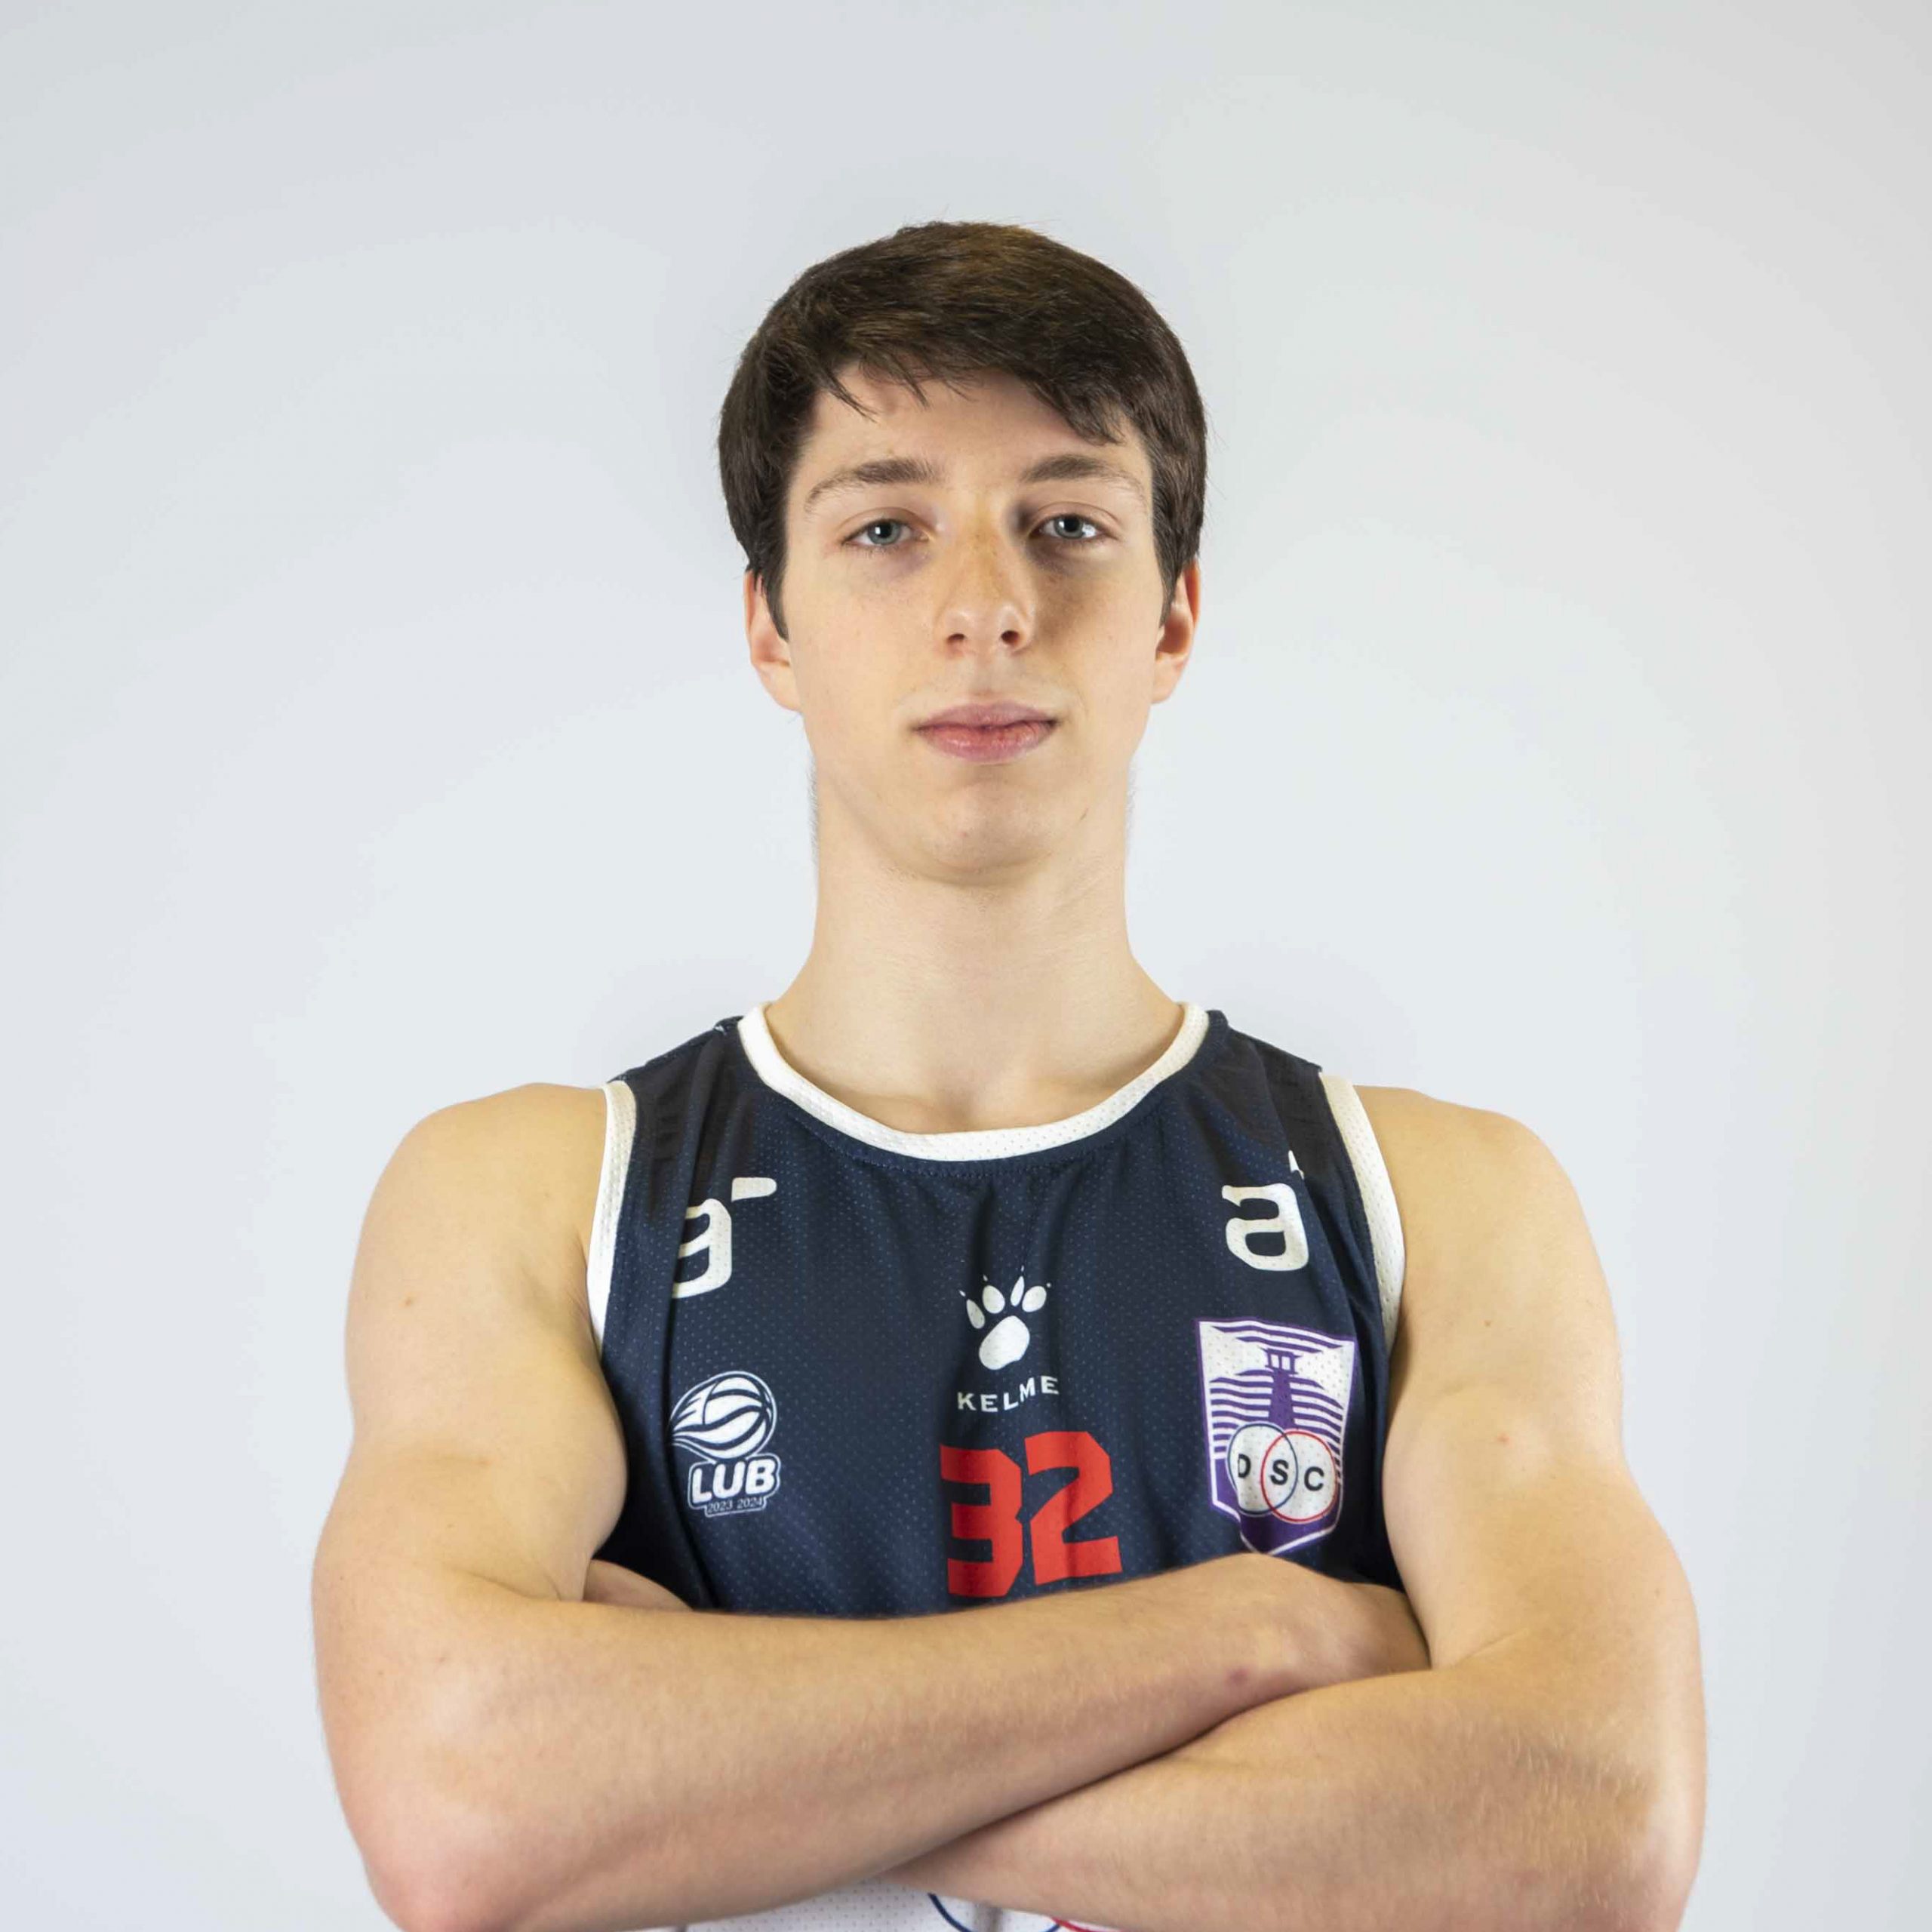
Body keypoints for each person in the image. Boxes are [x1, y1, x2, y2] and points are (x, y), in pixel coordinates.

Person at [312, 220, 1706, 1932]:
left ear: (1172, 618)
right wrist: (1250, 1632)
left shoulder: (1437, 1197)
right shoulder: (534, 1198)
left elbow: (1590, 1826)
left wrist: (725, 1778)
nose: (985, 605)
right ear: (770, 626)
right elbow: (465, 1811)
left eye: (1067, 524)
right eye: (886, 529)